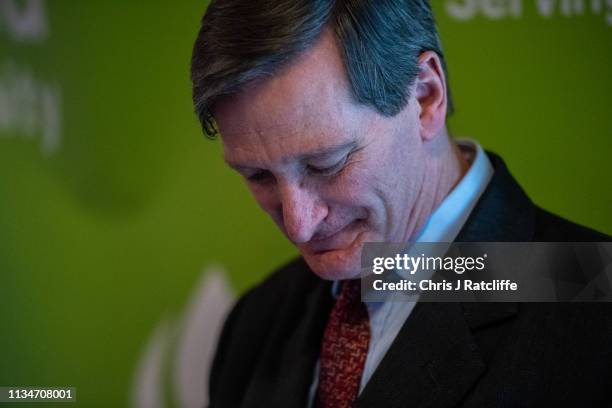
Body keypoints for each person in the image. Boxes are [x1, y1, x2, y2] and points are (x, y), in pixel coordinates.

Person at [190, 1, 612, 407]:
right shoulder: (256, 321)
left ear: (426, 97)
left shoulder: (590, 294)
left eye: (326, 164)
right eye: (258, 176)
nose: (300, 225)